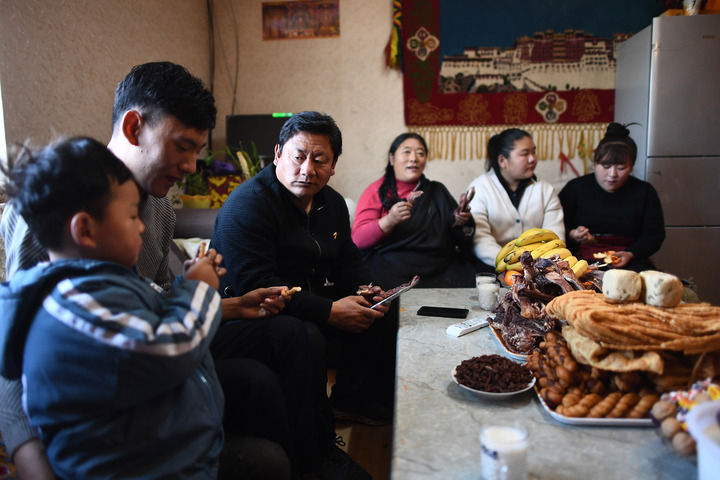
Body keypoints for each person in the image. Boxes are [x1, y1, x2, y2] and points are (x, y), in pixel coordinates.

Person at [0, 62, 314, 479]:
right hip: (111, 382)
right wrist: (31, 458)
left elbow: (157, 295)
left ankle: (313, 459)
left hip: (146, 343)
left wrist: (233, 305)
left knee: (288, 334)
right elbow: (16, 346)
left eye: (197, 151)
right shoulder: (54, 210)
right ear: (134, 128)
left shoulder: (161, 206)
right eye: (183, 146)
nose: (191, 166)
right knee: (256, 387)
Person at [0, 137, 250, 478]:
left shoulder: (103, 284)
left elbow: (153, 310)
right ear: (85, 230)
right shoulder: (75, 306)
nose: (142, 226)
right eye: (132, 216)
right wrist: (198, 289)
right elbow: (173, 345)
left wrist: (188, 282)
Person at [210, 111, 396, 427]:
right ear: (278, 154)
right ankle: (314, 436)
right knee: (306, 335)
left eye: (320, 160)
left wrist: (366, 290)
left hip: (307, 301)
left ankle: (352, 402)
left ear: (333, 166)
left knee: (379, 311)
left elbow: (348, 259)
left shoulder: (332, 204)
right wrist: (328, 311)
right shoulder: (248, 204)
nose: (307, 169)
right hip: (250, 313)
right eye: (298, 157)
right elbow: (256, 285)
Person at [352, 132, 476, 288]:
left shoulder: (437, 190)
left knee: (477, 276)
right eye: (406, 152)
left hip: (439, 268)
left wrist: (460, 220)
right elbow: (358, 240)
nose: (414, 158)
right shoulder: (376, 191)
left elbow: (460, 236)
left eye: (420, 153)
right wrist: (389, 220)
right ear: (392, 159)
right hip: (392, 269)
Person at [559, 122, 665, 271]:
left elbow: (654, 235)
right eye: (606, 166)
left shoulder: (645, 192)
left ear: (631, 167)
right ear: (595, 164)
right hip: (581, 261)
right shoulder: (575, 189)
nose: (612, 174)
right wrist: (573, 234)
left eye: (621, 168)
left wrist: (630, 253)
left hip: (631, 261)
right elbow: (557, 226)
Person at [466, 128, 565, 270]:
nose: (532, 159)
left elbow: (555, 236)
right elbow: (481, 240)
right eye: (525, 154)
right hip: (492, 268)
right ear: (502, 160)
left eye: (533, 152)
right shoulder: (480, 188)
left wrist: (535, 266)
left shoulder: (545, 190)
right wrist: (511, 265)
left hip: (540, 269)